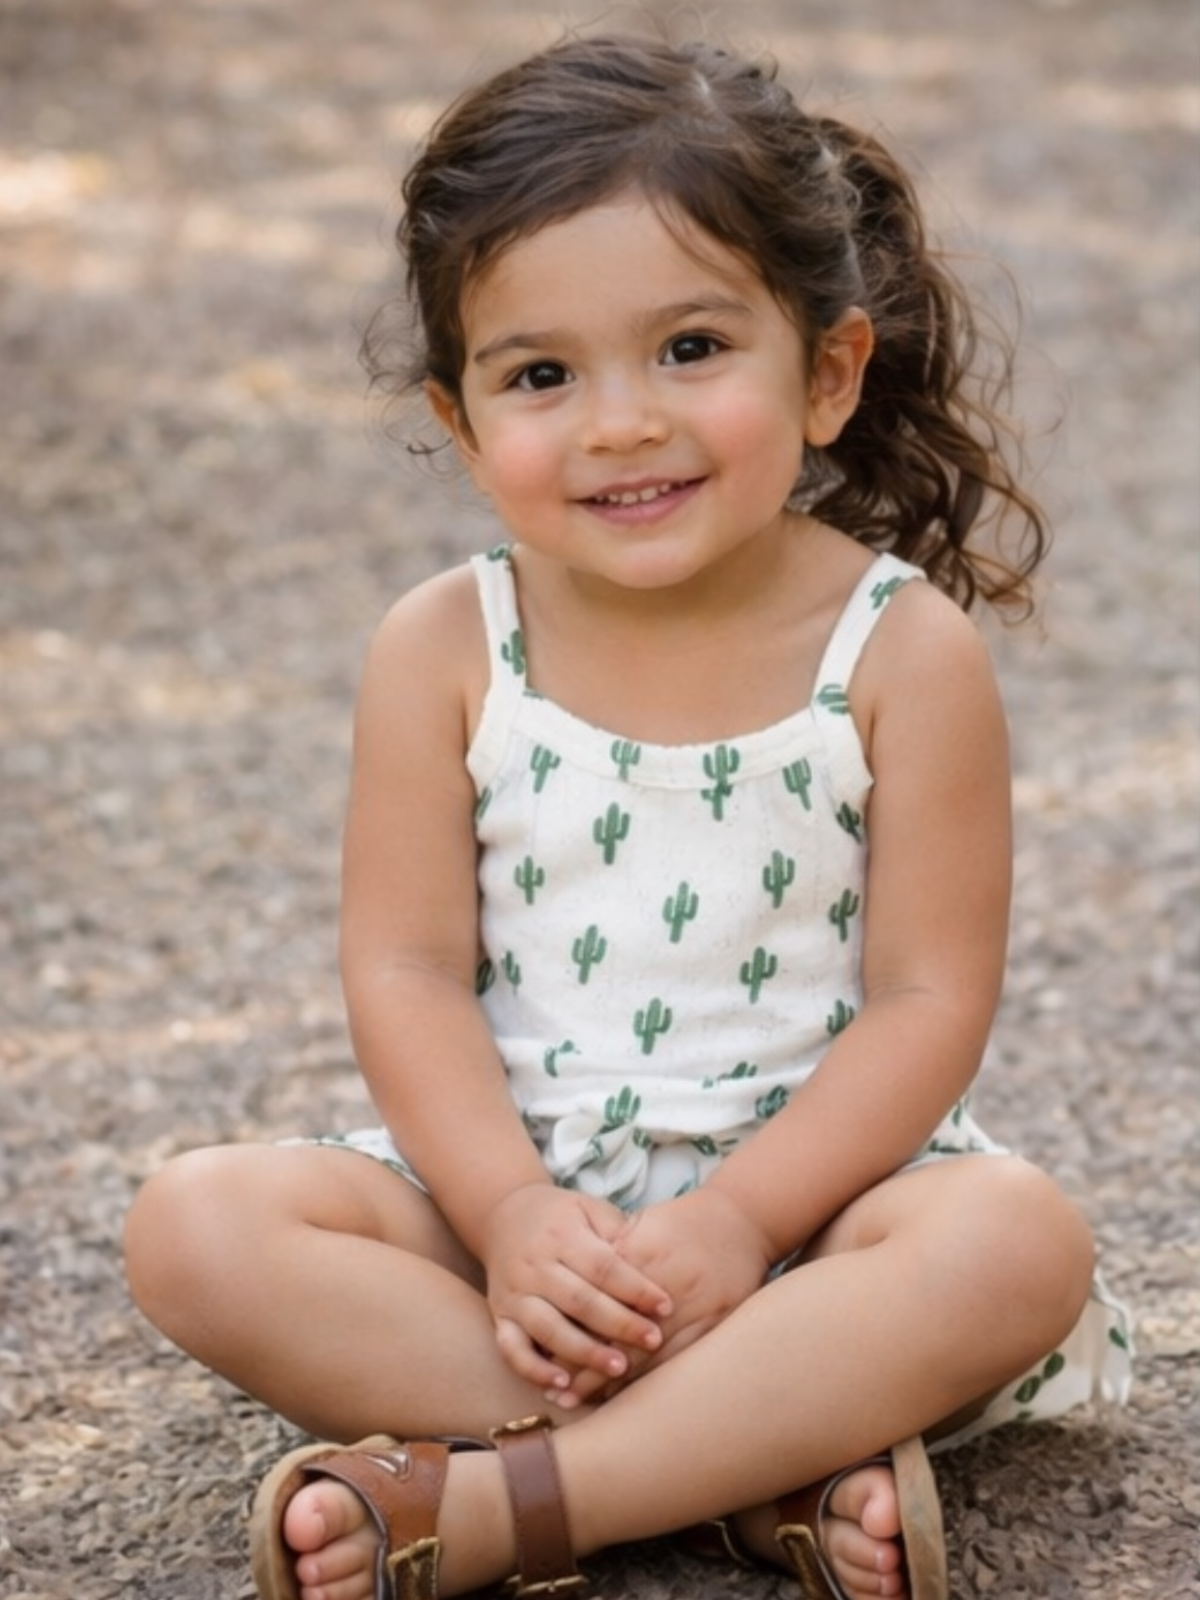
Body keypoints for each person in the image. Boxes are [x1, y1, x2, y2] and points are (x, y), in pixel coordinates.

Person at [124, 31, 1133, 1600]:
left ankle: (507, 1506)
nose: (618, 423)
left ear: (827, 374)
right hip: (508, 1226)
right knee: (195, 1227)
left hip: (813, 1225)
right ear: (463, 428)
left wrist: (742, 1225)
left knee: (1013, 1242)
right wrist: (512, 1211)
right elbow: (404, 971)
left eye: (687, 349)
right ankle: (752, 1470)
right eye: (541, 375)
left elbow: (931, 999)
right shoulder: (446, 647)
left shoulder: (898, 646)